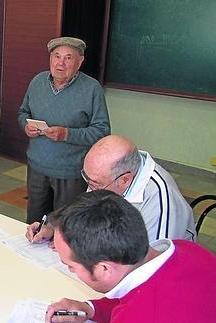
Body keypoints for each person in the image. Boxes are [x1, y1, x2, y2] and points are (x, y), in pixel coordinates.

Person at [45, 190, 216, 323]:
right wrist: (90, 308)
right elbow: (134, 296)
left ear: (104, 268)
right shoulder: (188, 248)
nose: (69, 269)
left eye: (71, 266)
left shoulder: (138, 316)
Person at [27, 135, 196, 243]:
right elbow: (85, 208)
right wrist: (55, 227)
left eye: (96, 184)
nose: (91, 189)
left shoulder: (159, 199)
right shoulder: (104, 175)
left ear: (125, 180)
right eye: (88, 179)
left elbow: (152, 266)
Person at [17, 36, 110, 224]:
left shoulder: (92, 88)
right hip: (37, 167)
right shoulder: (37, 82)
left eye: (68, 58)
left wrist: (67, 134)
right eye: (56, 56)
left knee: (65, 225)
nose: (61, 63)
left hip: (71, 172)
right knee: (34, 221)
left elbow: (102, 130)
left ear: (80, 61)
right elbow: (23, 112)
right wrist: (25, 126)